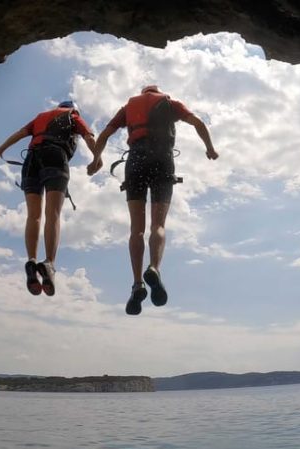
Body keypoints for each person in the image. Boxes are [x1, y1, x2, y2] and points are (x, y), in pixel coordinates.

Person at [87, 85, 219, 315]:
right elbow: (197, 122)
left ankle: (137, 284)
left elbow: (106, 134)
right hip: (162, 159)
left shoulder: (128, 107)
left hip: (135, 161)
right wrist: (210, 148)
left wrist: (95, 159)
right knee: (158, 225)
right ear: (157, 91)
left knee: (136, 230)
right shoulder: (170, 103)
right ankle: (154, 268)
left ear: (142, 92)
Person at [0, 100, 100, 297]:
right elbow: (89, 137)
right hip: (55, 157)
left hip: (31, 160)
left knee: (34, 216)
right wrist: (96, 158)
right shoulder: (73, 116)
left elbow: (19, 134)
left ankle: (32, 260)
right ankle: (49, 263)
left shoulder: (40, 118)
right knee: (53, 214)